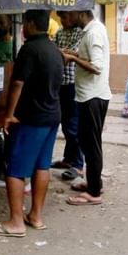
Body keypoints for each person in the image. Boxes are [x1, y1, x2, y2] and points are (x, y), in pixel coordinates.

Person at [0, 10, 62, 238]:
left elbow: (17, 84)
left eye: (23, 24)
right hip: (52, 116)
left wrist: (9, 114)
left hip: (31, 118)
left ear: (29, 24)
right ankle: (36, 216)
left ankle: (16, 222)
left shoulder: (29, 49)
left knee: (16, 169)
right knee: (42, 166)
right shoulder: (54, 50)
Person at [61, 10, 110, 207]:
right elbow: (89, 58)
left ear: (81, 14)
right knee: (87, 141)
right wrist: (75, 53)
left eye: (70, 15)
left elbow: (96, 66)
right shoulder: (90, 31)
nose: (67, 19)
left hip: (93, 96)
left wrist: (72, 59)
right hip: (87, 96)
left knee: (91, 145)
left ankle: (94, 192)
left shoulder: (93, 33)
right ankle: (93, 182)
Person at [51, 11, 84, 181]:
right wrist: (64, 53)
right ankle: (68, 159)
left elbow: (75, 53)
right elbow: (55, 52)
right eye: (62, 17)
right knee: (64, 124)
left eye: (65, 17)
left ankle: (78, 165)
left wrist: (62, 52)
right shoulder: (60, 33)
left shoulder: (81, 33)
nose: (63, 20)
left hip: (73, 84)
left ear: (74, 16)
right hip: (60, 83)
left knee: (73, 125)